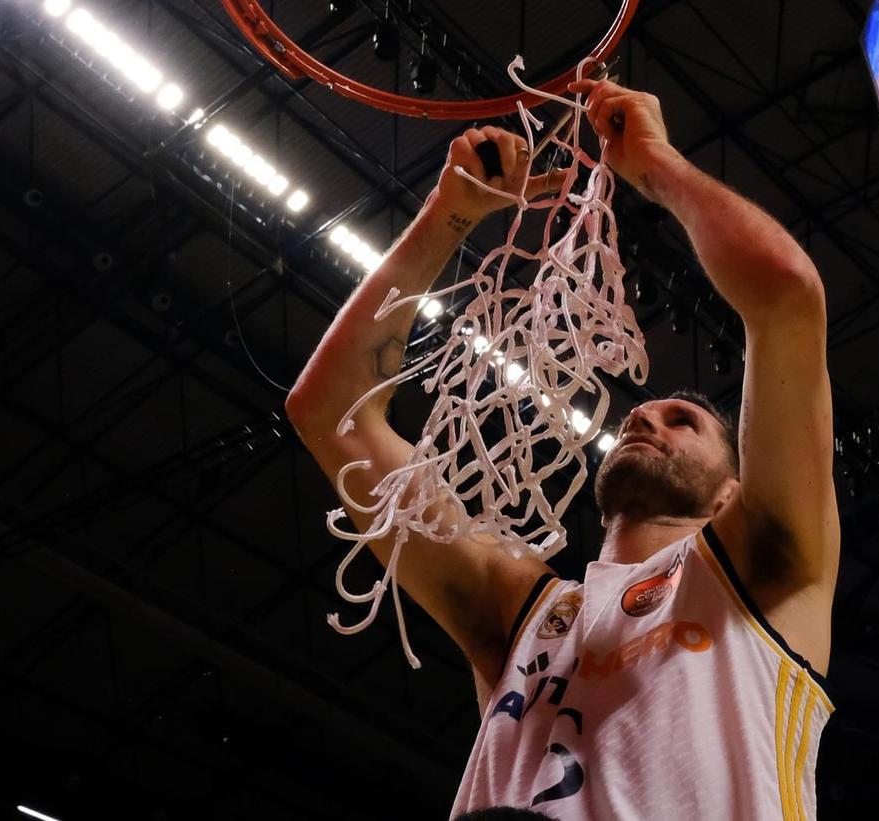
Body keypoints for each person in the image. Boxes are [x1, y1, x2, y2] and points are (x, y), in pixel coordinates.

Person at [285, 78, 839, 819]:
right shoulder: (524, 607)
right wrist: (448, 213)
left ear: (728, 493)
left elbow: (786, 293)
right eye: (646, 409)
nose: (649, 415)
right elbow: (331, 413)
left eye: (685, 420)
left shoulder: (767, 567)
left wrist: (656, 166)